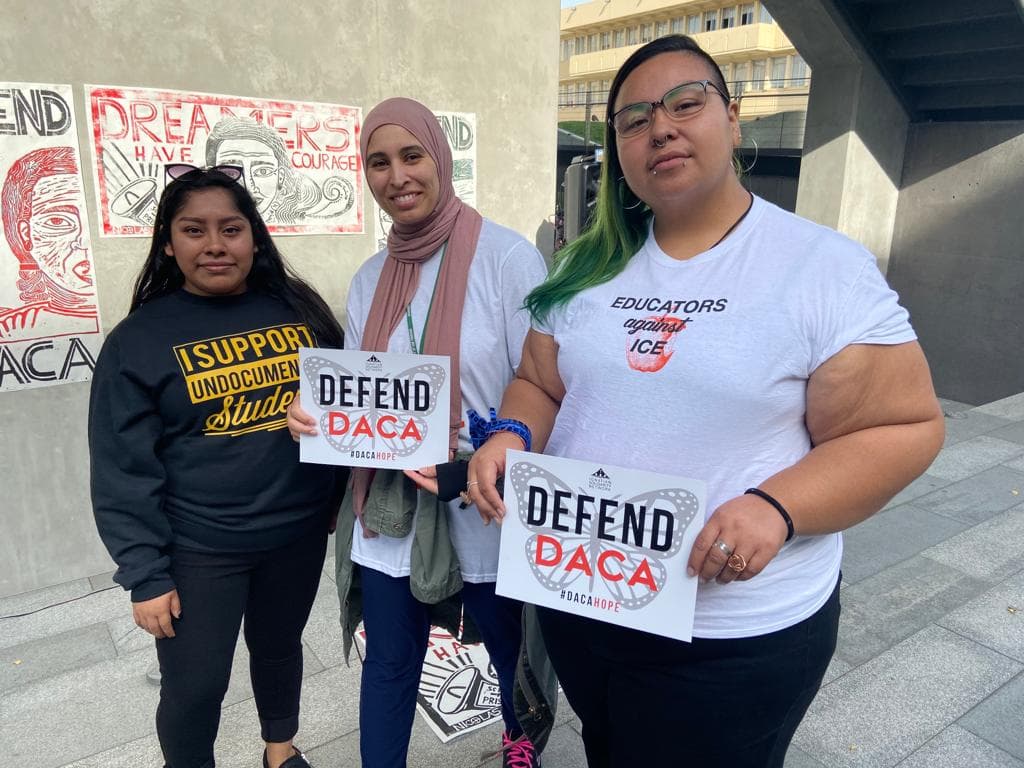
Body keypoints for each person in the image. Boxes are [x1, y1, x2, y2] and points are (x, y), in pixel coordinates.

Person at [468, 35, 945, 768]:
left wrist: (777, 509)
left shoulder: (820, 268)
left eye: (685, 104)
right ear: (619, 152)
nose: (660, 127)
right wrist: (509, 433)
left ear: (734, 119)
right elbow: (539, 383)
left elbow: (904, 427)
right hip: (584, 600)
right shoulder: (583, 268)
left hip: (732, 637)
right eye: (633, 120)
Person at [286, 97, 547, 768]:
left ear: (440, 158)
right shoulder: (371, 279)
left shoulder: (508, 261)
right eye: (378, 162)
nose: (397, 176)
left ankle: (522, 746)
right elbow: (359, 389)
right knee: (390, 661)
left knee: (507, 649)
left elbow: (546, 385)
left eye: (412, 156)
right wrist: (316, 415)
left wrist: (490, 454)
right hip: (390, 505)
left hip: (480, 500)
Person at [89, 165, 346, 768]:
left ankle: (280, 752)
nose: (214, 245)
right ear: (168, 242)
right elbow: (122, 467)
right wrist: (145, 573)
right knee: (196, 684)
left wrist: (333, 496)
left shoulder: (300, 315)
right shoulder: (139, 340)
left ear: (254, 237)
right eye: (193, 230)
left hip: (297, 533)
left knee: (280, 649)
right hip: (199, 547)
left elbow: (349, 407)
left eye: (230, 229)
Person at [0, 146, 96, 339]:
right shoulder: (10, 330)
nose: (82, 243)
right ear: (26, 235)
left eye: (94, 224)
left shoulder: (152, 319)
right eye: (58, 221)